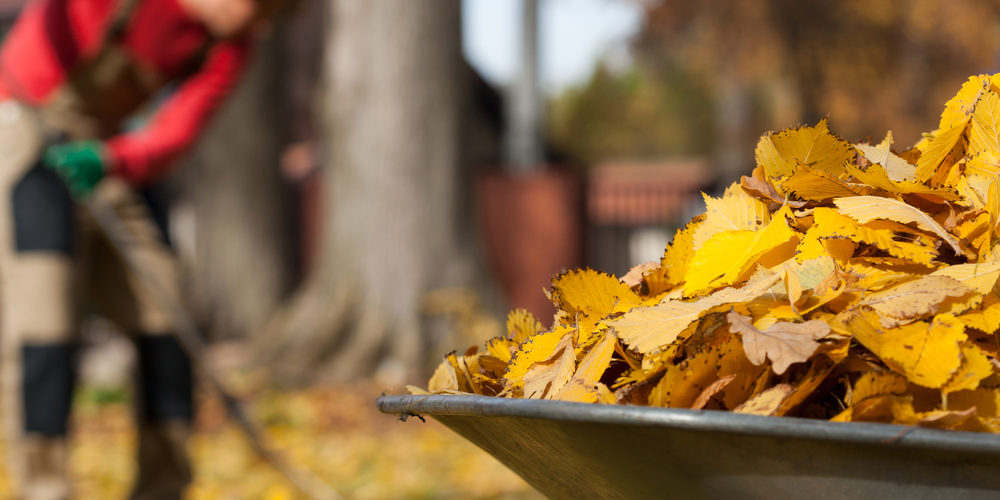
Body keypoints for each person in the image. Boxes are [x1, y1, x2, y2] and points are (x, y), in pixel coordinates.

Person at [0, 0, 277, 497]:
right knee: (44, 325)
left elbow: (177, 131)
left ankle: (164, 485)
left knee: (167, 319)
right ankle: (43, 487)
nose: (257, 25)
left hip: (105, 152)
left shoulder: (230, 45)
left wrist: (111, 158)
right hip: (26, 125)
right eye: (256, 10)